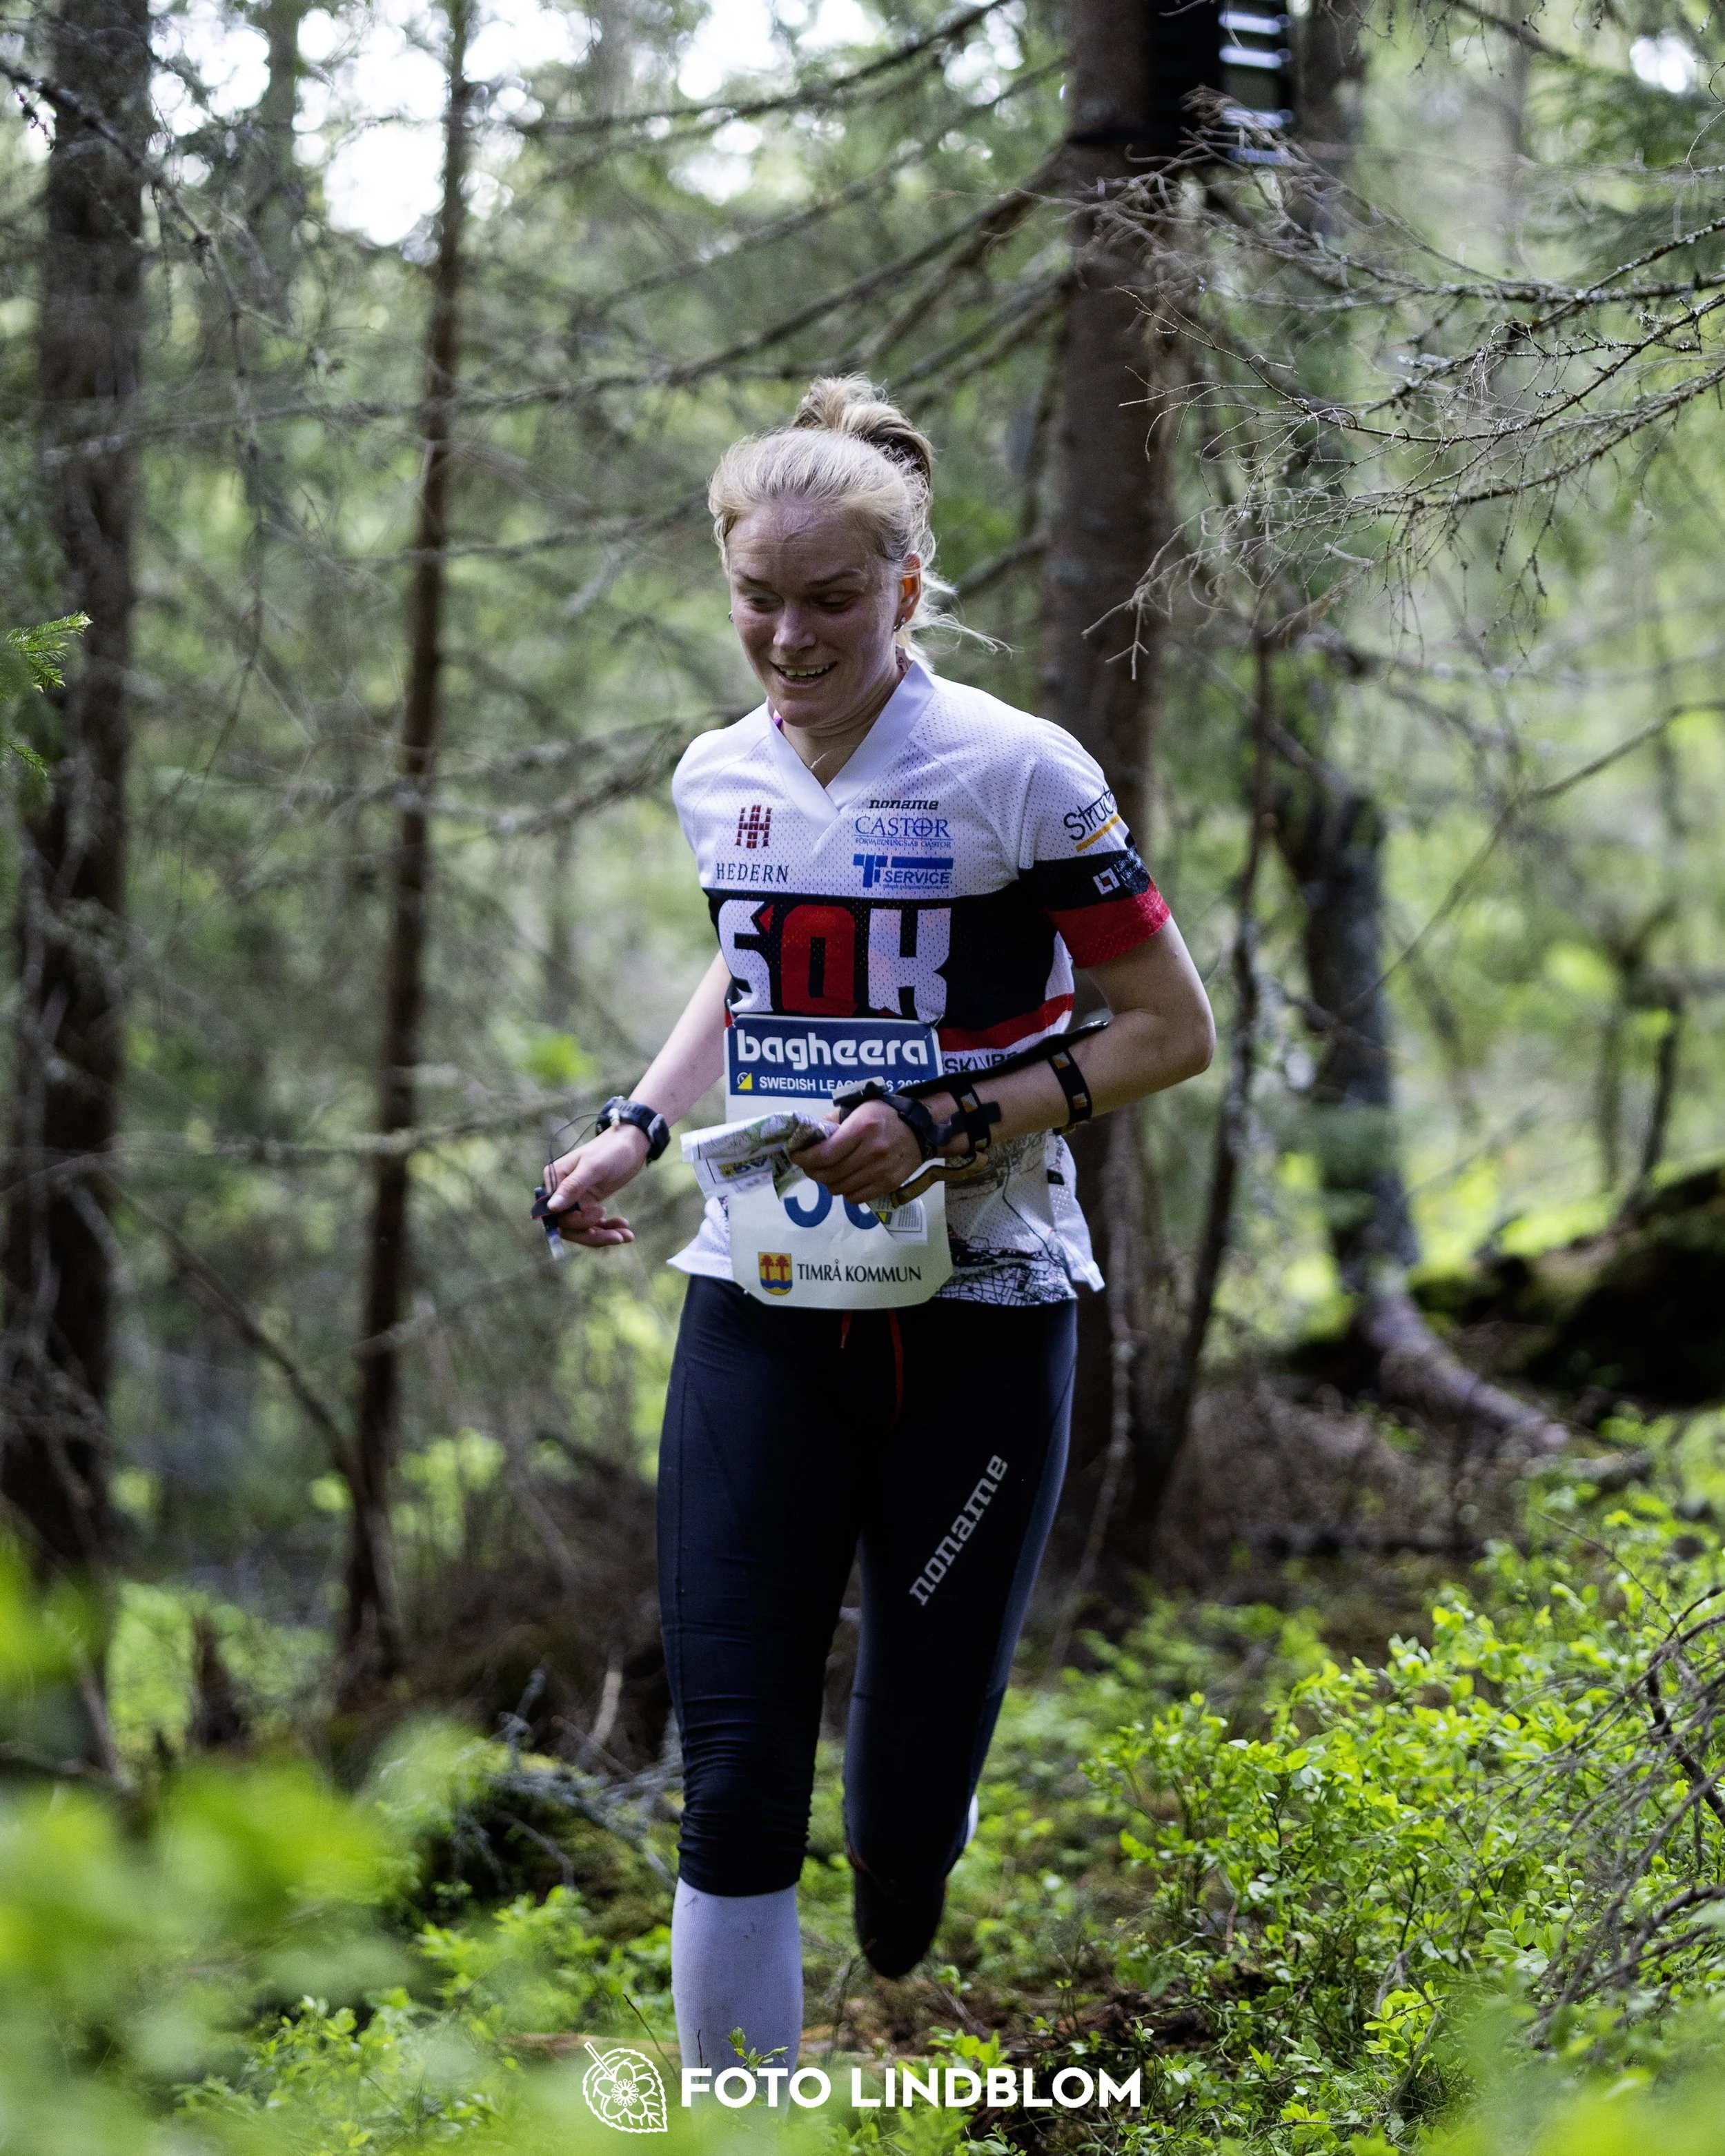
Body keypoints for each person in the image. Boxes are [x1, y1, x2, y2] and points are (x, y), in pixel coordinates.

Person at [538, 377, 1214, 2075]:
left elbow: (1166, 1027)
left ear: (905, 589)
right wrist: (636, 1121)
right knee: (737, 1762)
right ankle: (741, 2121)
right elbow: (756, 951)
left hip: (982, 1312)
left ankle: (918, 1834)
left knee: (896, 1824)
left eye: (829, 598)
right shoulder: (716, 776)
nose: (786, 633)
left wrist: (942, 1120)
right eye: (757, 598)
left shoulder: (1015, 770)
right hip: (761, 1298)